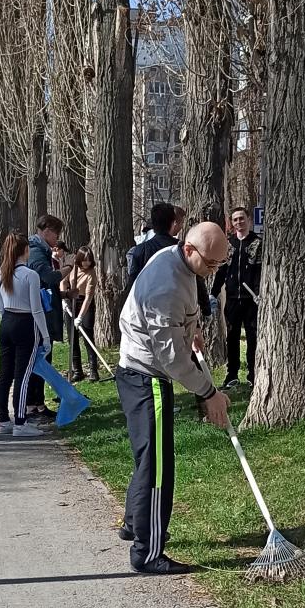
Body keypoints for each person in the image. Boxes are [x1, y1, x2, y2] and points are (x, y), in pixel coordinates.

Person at [116, 221, 232, 575]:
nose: (213, 272)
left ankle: (135, 523)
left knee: (149, 457)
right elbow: (172, 361)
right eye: (210, 264)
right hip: (146, 375)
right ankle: (148, 553)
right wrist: (209, 393)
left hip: (144, 368)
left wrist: (189, 331)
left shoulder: (177, 261)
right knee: (158, 467)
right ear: (189, 249)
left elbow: (182, 319)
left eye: (218, 266)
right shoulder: (164, 285)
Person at [0, 231, 51, 438]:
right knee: (23, 376)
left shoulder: (2, 273)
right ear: (25, 250)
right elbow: (37, 310)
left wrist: (6, 323)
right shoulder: (30, 275)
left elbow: (0, 306)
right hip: (25, 324)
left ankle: (2, 420)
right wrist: (45, 336)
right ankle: (20, 422)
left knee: (4, 375)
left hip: (6, 322)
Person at [211, 206, 262, 389]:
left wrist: (259, 293)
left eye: (242, 218)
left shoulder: (257, 243)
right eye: (235, 220)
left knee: (252, 337)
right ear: (231, 223)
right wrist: (213, 293)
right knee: (231, 337)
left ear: (248, 220)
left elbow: (260, 271)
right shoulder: (228, 244)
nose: (239, 222)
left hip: (251, 301)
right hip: (232, 299)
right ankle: (231, 374)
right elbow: (221, 271)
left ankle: (253, 374)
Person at [26, 214, 70, 420]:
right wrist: (67, 269)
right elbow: (46, 279)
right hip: (39, 314)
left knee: (44, 358)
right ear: (46, 232)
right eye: (56, 234)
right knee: (39, 360)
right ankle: (31, 405)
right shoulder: (36, 252)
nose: (57, 239)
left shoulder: (41, 250)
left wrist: (62, 294)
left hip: (45, 310)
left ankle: (38, 403)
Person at [60, 247, 100, 383]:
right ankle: (77, 370)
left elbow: (88, 297)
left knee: (88, 335)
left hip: (84, 302)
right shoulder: (72, 268)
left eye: (89, 261)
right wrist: (64, 299)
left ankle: (93, 370)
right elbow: (63, 282)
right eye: (84, 261)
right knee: (72, 338)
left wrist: (80, 317)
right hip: (70, 300)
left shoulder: (91, 274)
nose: (86, 264)